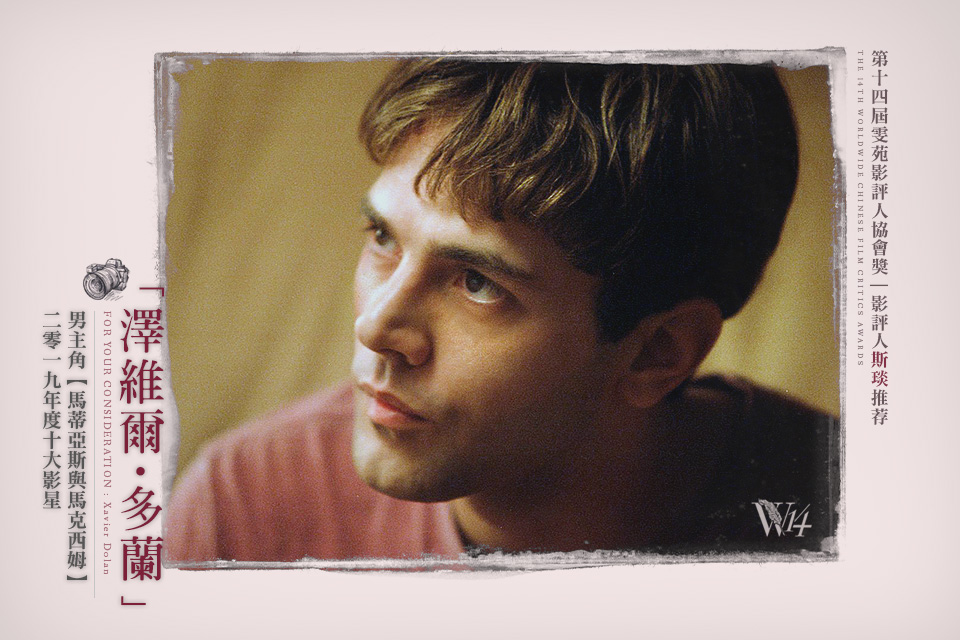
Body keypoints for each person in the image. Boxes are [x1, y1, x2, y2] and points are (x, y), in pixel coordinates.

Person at [165, 59, 838, 563]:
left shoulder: (853, 518)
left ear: (656, 352)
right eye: (383, 239)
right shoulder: (243, 506)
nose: (376, 328)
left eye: (478, 283)